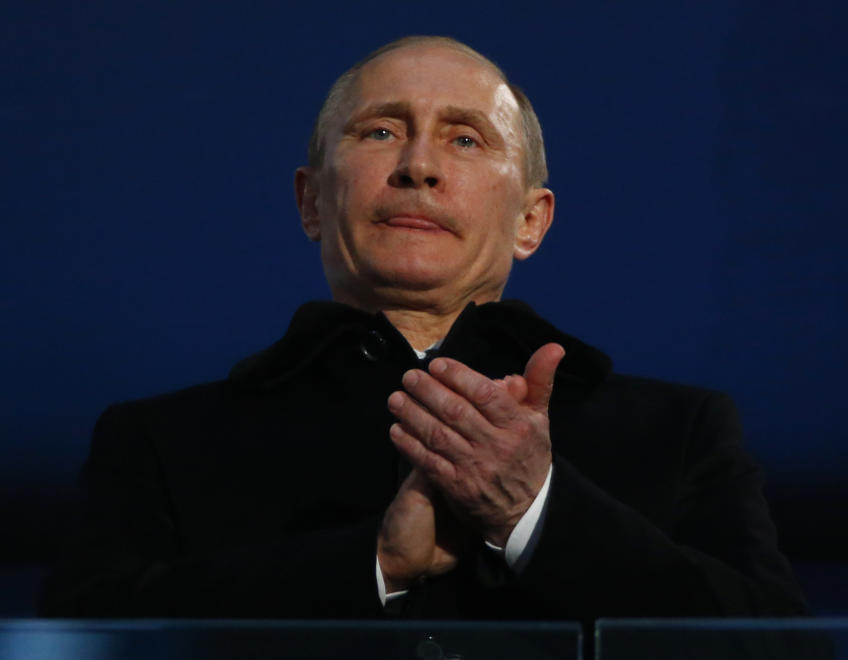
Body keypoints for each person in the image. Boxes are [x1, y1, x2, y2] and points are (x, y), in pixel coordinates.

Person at [41, 36, 805, 621]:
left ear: (531, 221)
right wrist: (374, 560)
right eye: (379, 132)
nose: (418, 166)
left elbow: (773, 650)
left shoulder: (681, 432)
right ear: (311, 202)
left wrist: (533, 509)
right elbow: (83, 637)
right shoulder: (160, 443)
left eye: (465, 139)